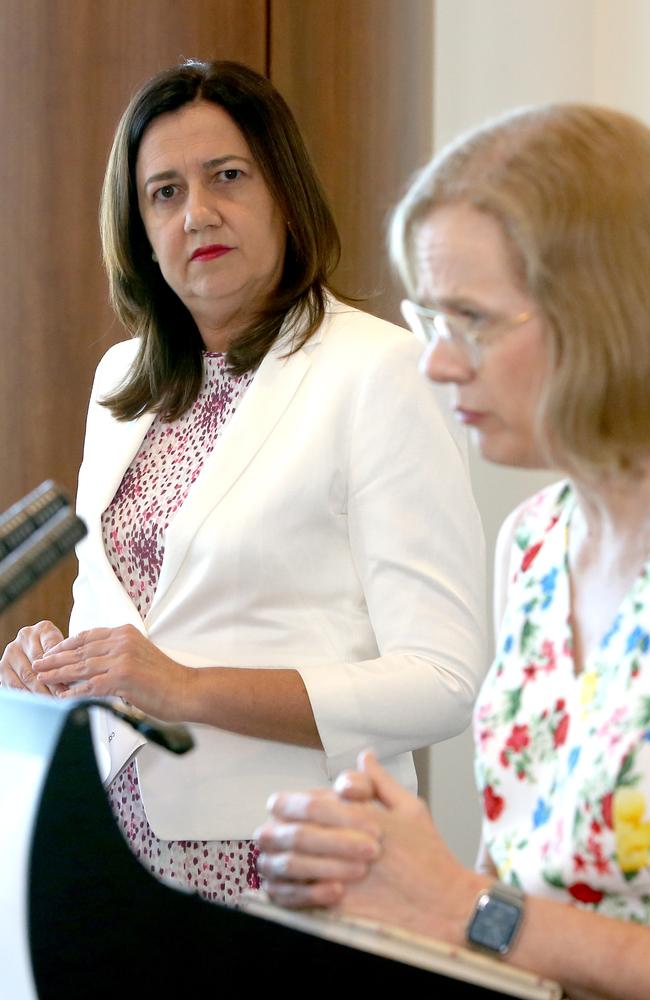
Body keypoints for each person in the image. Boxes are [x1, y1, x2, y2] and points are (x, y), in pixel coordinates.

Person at [0, 61, 485, 903]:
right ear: (140, 229)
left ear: (285, 194)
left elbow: (444, 680)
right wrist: (60, 662)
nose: (198, 213)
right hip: (107, 842)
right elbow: (114, 616)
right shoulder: (123, 384)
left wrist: (186, 688)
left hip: (294, 857)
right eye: (164, 192)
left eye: (227, 176)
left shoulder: (380, 371)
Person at [256, 103, 650, 998]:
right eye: (429, 317)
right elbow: (511, 878)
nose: (436, 363)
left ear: (604, 313)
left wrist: (460, 906)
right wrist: (389, 889)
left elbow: (488, 907)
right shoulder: (537, 543)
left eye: (470, 319)